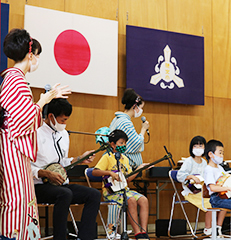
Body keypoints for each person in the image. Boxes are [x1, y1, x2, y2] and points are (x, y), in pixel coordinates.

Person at [0, 28, 70, 240]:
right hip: (13, 149)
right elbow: (22, 121)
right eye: (37, 55)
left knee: (19, 199)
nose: (37, 60)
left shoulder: (12, 79)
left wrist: (42, 102)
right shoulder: (17, 80)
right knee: (15, 200)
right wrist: (44, 100)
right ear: (30, 55)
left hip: (12, 147)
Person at [30, 98, 101, 240]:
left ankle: (85, 237)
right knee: (65, 194)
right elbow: (25, 166)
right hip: (39, 186)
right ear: (51, 116)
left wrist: (80, 159)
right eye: (62, 120)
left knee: (94, 194)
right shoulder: (35, 134)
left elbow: (63, 162)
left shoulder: (63, 135)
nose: (64, 124)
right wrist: (45, 173)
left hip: (61, 184)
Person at [92, 129, 150, 240]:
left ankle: (144, 231)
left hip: (124, 190)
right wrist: (109, 173)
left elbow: (127, 180)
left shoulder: (125, 159)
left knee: (143, 200)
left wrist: (138, 169)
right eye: (121, 143)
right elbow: (95, 171)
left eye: (125, 143)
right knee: (131, 200)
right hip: (111, 192)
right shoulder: (107, 157)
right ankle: (137, 233)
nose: (124, 145)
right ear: (112, 144)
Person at [177, 136, 226, 236]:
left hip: (204, 191)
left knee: (222, 200)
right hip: (191, 192)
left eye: (200, 146)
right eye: (195, 146)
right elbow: (179, 175)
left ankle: (217, 228)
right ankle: (208, 229)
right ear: (191, 148)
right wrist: (191, 176)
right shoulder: (188, 161)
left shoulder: (205, 162)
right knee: (210, 204)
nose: (198, 148)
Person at [109, 88, 149, 169]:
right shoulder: (125, 122)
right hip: (124, 165)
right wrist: (143, 129)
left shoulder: (117, 119)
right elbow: (136, 144)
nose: (141, 111)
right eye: (141, 108)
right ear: (135, 106)